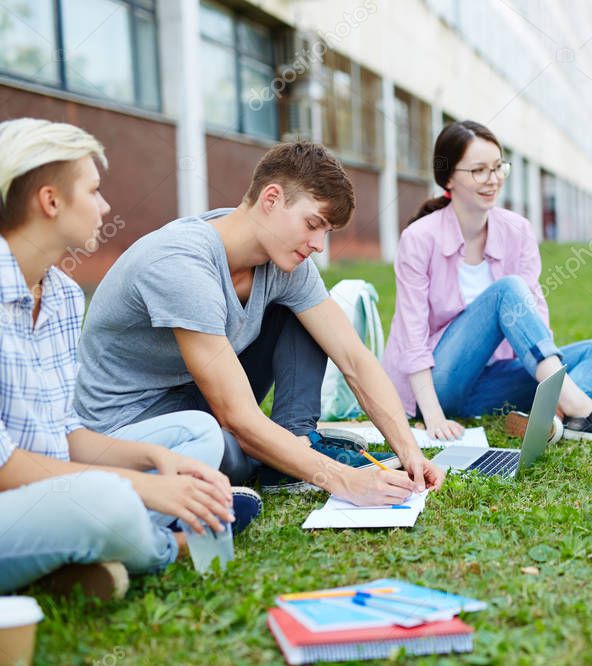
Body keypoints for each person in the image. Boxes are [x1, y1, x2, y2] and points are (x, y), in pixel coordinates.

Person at [74, 142, 444, 504]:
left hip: (196, 396)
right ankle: (285, 456)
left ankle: (294, 441)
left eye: (326, 232)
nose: (318, 244)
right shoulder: (182, 263)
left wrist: (410, 452)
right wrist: (346, 481)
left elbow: (353, 358)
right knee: (229, 457)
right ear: (271, 199)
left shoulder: (287, 262)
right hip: (132, 424)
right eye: (313, 224)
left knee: (307, 311)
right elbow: (236, 417)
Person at [0, 118, 256, 599]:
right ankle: (165, 545)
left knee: (195, 435)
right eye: (94, 191)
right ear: (51, 201)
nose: (106, 206)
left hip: (55, 492)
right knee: (109, 500)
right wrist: (144, 487)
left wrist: (153, 458)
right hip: (12, 502)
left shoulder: (62, 296)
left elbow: (63, 434)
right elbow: (6, 470)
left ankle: (74, 556)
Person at [382, 121, 592, 442]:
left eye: (498, 168)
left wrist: (540, 361)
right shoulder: (419, 238)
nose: (493, 180)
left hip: (487, 385)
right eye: (479, 170)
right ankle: (576, 408)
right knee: (507, 290)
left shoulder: (517, 231)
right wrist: (434, 417)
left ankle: (553, 418)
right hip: (438, 384)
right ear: (449, 177)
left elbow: (534, 314)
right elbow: (411, 335)